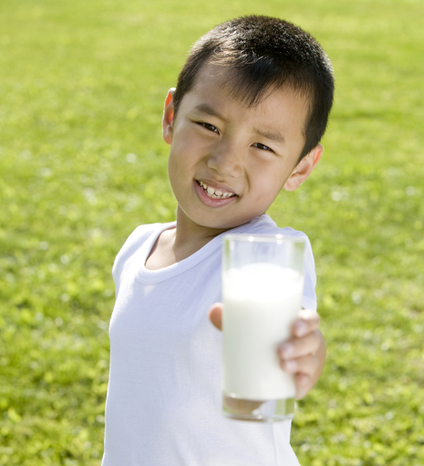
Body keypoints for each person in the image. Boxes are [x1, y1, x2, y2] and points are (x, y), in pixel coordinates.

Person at [101, 15, 334, 466]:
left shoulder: (261, 258)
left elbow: (288, 329)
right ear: (171, 116)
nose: (225, 162)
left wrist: (302, 352)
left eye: (263, 146)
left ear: (301, 167)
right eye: (209, 126)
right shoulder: (137, 248)